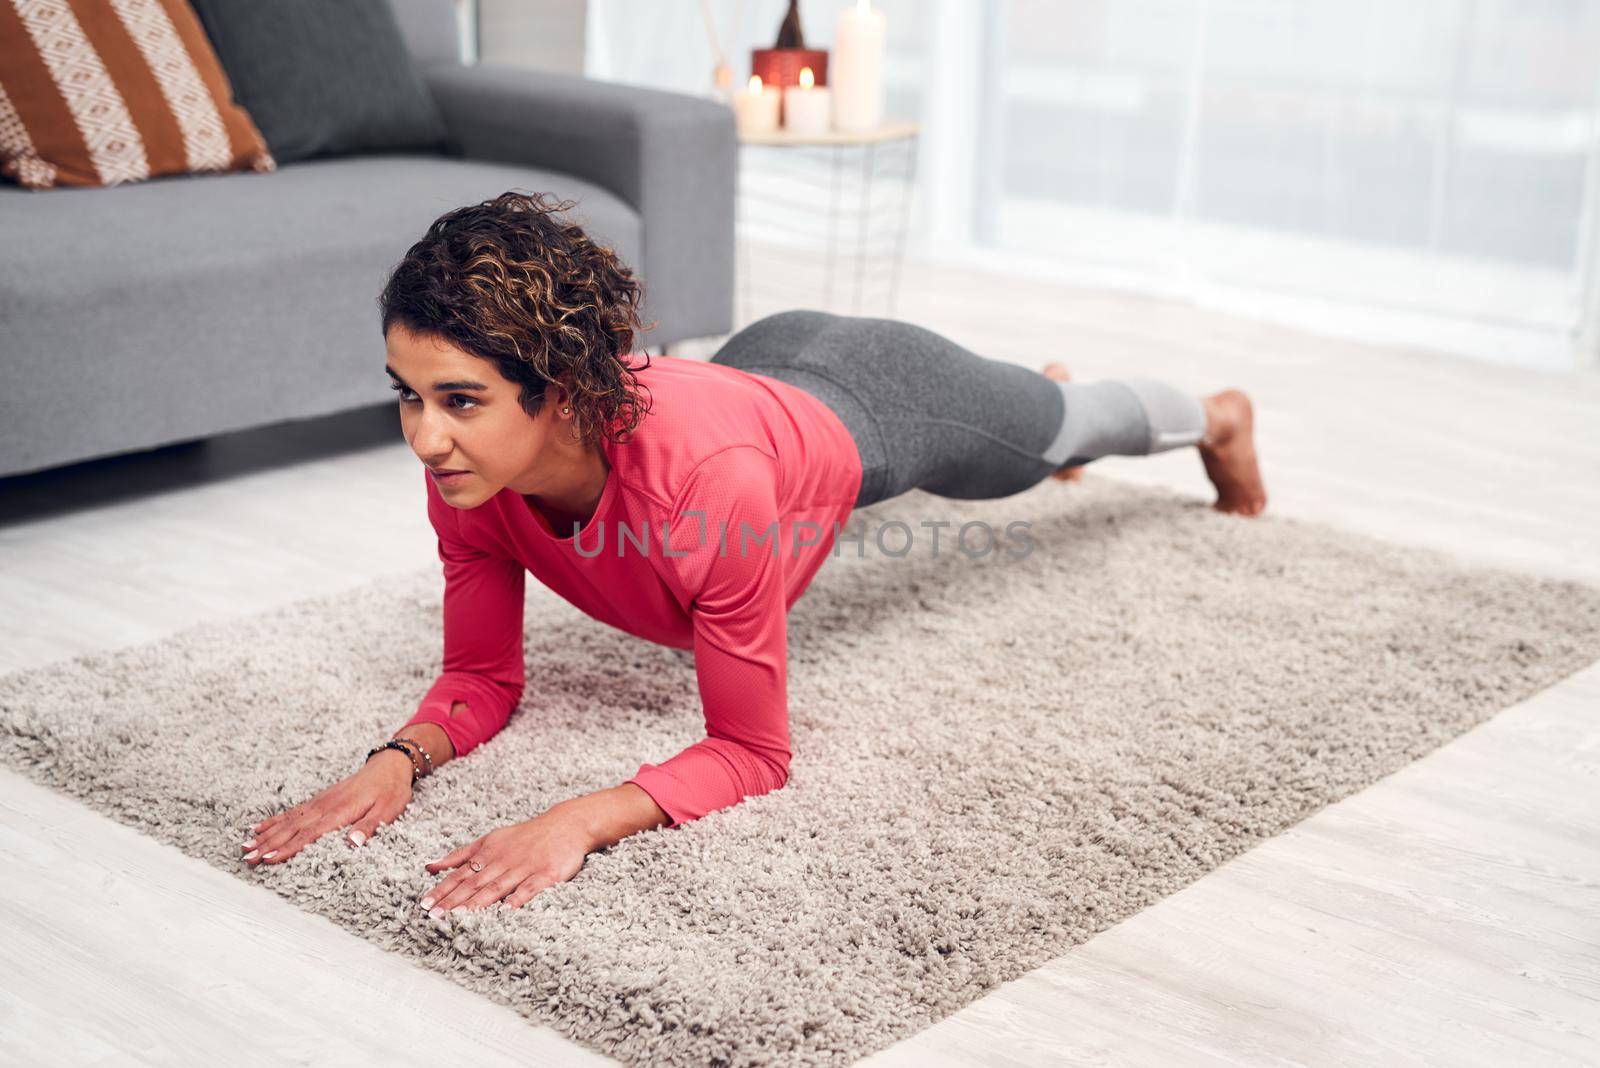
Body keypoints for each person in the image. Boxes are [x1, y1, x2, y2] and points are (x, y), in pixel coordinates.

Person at [240, 191, 1266, 914]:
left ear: (560, 392)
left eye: (460, 400)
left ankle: (1208, 417)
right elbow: (477, 675)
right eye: (408, 396)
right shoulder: (467, 474)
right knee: (1010, 424)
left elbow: (753, 753)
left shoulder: (707, 488)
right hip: (757, 371)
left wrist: (578, 819)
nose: (424, 438)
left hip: (879, 392)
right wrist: (396, 760)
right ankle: (1016, 391)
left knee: (1052, 433)